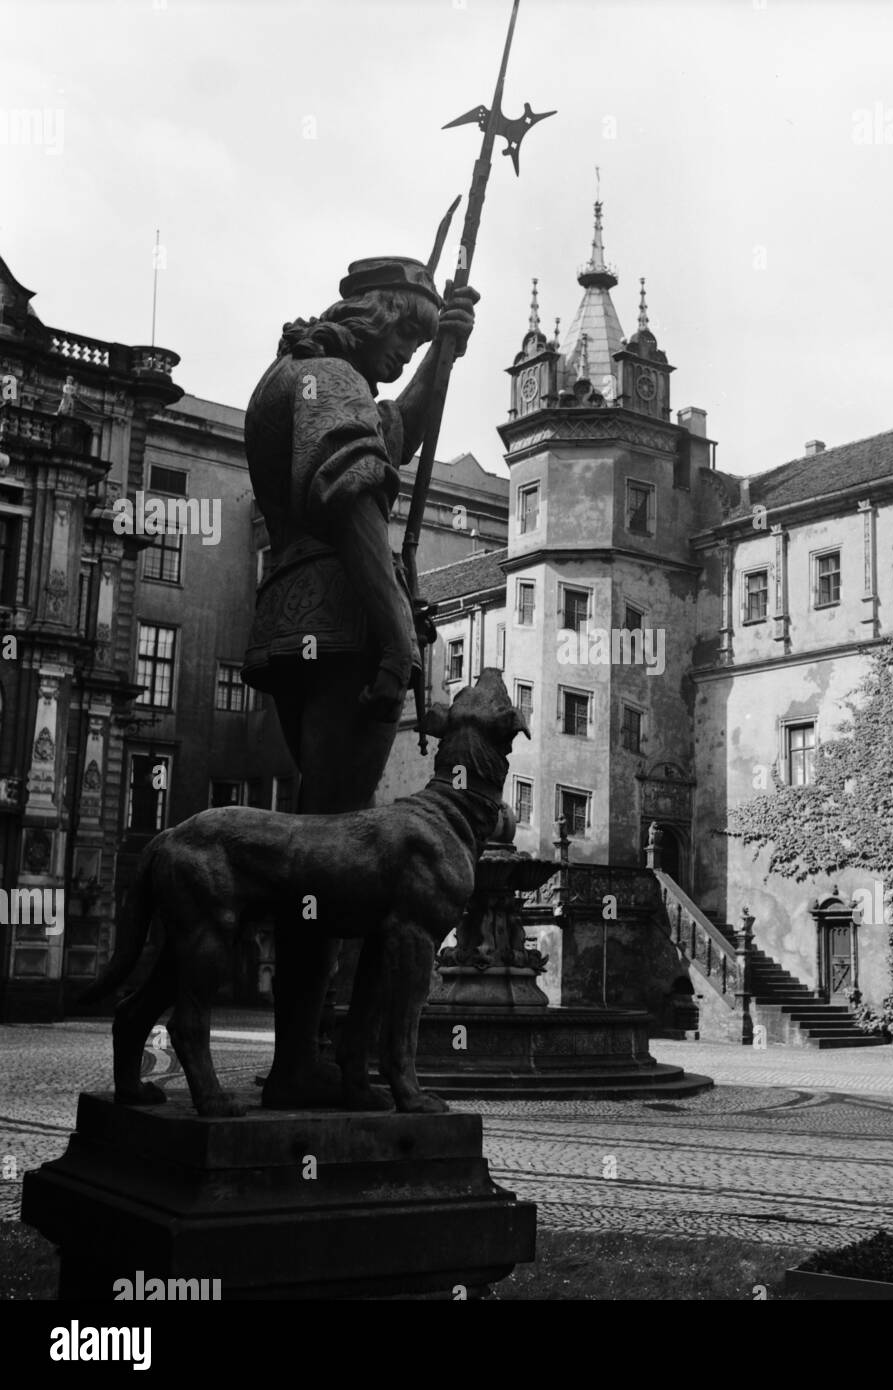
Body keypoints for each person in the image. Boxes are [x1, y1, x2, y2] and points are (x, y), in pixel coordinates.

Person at [242, 256, 478, 1107]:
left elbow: (391, 438)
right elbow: (357, 510)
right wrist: (398, 645)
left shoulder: (303, 376)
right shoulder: (329, 379)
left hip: (292, 624)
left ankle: (304, 1058)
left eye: (421, 338)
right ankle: (300, 1066)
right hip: (342, 630)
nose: (407, 351)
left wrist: (444, 360)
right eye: (409, 333)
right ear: (372, 314)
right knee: (325, 856)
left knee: (318, 837)